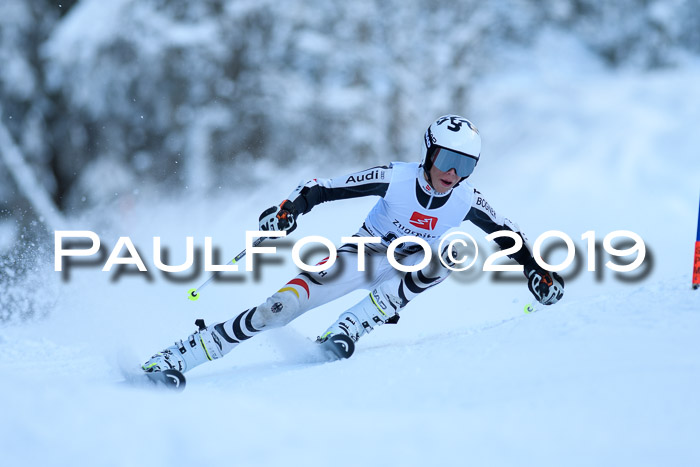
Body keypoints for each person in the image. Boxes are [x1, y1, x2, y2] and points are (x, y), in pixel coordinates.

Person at [142, 115, 564, 375]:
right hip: (360, 258)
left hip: (408, 267)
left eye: (465, 165)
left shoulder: (465, 199)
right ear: (429, 153)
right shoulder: (395, 177)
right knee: (279, 308)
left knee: (454, 253)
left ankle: (353, 324)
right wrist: (289, 209)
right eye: (448, 161)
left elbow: (508, 233)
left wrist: (535, 270)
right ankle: (187, 353)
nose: (453, 174)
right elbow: (324, 187)